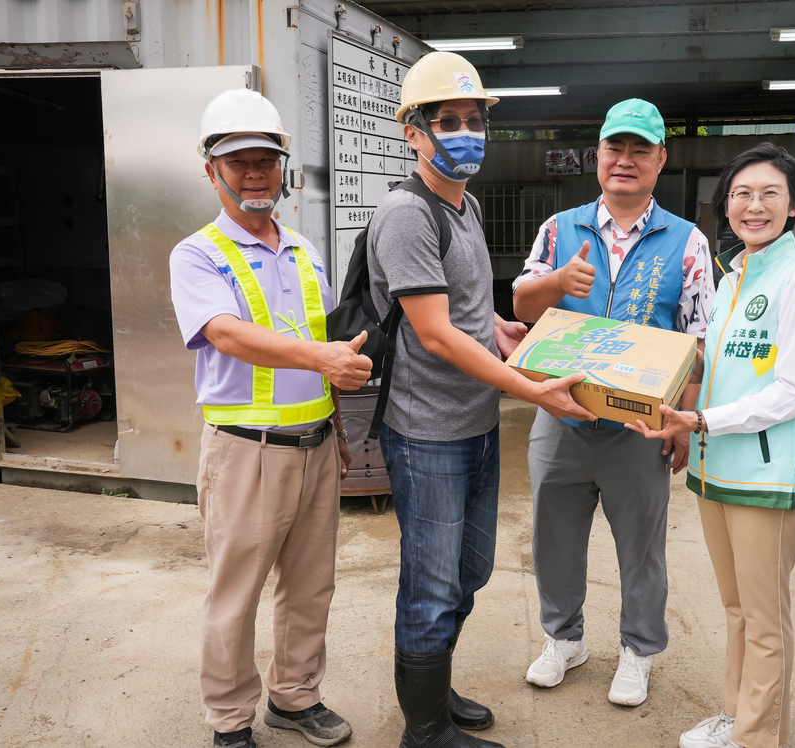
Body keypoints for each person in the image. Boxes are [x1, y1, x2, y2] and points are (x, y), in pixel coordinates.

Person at [366, 52, 593, 748]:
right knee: (432, 587)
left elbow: (454, 306)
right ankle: (425, 731)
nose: (466, 132)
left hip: (475, 423)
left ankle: (434, 690)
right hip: (428, 431)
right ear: (414, 131)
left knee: (469, 572)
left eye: (474, 120)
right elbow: (433, 335)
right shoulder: (407, 214)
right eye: (448, 121)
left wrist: (495, 325)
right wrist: (529, 387)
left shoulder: (461, 206)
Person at [170, 89, 372, 748]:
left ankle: (295, 699)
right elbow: (225, 334)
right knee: (237, 596)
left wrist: (339, 432)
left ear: (284, 168)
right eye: (239, 162)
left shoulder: (307, 252)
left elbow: (329, 354)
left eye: (266, 160)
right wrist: (321, 355)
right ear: (212, 171)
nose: (255, 174)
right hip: (244, 452)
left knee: (311, 588)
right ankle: (230, 721)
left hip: (314, 447)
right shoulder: (197, 254)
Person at [627, 143, 795, 748]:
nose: (754, 205)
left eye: (770, 193)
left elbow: (794, 392)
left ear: (794, 206)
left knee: (766, 621)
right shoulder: (734, 274)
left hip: (764, 480)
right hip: (717, 471)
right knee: (737, 610)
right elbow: (707, 363)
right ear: (726, 207)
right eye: (742, 194)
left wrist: (704, 422)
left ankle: (757, 736)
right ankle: (738, 716)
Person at [513, 98, 716, 707]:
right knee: (554, 536)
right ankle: (564, 639)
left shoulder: (687, 242)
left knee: (641, 545)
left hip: (639, 424)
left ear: (660, 159)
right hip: (561, 412)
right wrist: (555, 283)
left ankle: (638, 649)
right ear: (597, 155)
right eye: (614, 148)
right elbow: (524, 311)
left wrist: (683, 419)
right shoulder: (559, 229)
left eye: (638, 150)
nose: (624, 160)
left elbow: (696, 339)